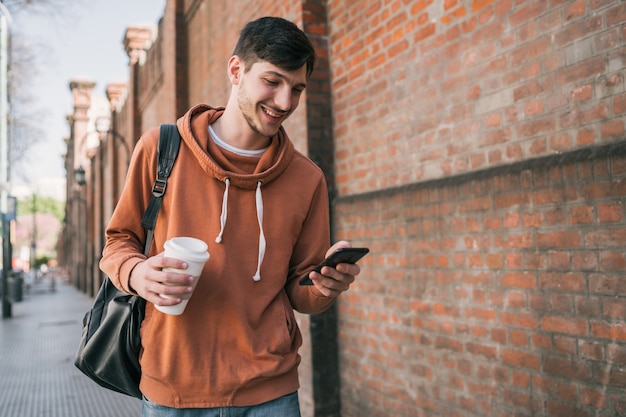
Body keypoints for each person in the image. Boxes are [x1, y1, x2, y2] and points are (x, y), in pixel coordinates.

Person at [100, 16, 362, 417]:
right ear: (236, 70)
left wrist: (325, 286)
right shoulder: (161, 149)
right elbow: (118, 243)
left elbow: (300, 292)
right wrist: (137, 274)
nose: (285, 102)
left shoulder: (307, 179)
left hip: (271, 394)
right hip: (174, 392)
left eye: (297, 89)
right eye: (272, 82)